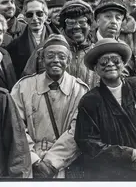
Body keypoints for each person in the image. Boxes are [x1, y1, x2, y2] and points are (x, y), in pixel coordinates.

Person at [74, 38, 136, 180]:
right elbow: (87, 142)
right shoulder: (89, 101)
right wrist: (130, 155)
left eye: (115, 60)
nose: (110, 64)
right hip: (112, 175)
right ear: (96, 69)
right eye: (104, 62)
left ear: (124, 64)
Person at [11, 34, 90, 178]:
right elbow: (15, 126)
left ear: (69, 60)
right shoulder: (23, 87)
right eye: (50, 55)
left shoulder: (80, 90)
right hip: (30, 163)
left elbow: (78, 129)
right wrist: (35, 161)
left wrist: (51, 163)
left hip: (66, 164)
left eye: (61, 56)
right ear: (42, 58)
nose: (56, 60)